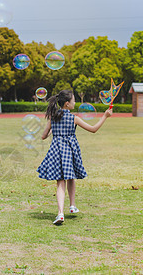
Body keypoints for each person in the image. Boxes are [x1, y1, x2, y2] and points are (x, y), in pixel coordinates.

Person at [37, 90, 113, 225]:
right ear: (67, 104)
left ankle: (60, 213)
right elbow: (93, 129)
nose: (75, 102)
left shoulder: (53, 117)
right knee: (71, 176)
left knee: (60, 181)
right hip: (70, 151)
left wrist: (54, 131)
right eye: (73, 100)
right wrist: (105, 116)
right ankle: (72, 206)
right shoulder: (74, 118)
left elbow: (43, 136)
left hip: (56, 151)